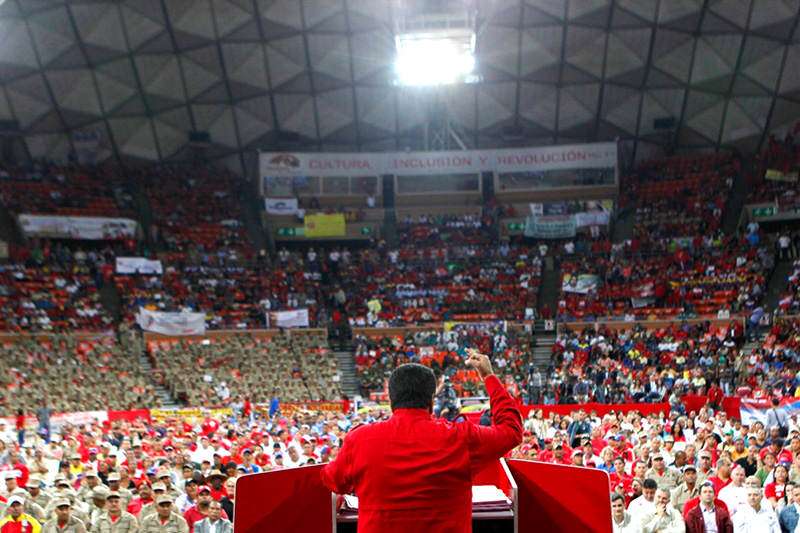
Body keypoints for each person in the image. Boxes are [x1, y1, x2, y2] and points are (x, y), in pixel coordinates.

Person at [320, 350, 522, 533]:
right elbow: (511, 430)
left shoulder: (360, 439)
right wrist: (488, 376)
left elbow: (333, 480)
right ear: (432, 401)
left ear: (391, 403)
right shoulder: (461, 437)